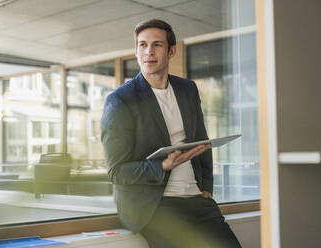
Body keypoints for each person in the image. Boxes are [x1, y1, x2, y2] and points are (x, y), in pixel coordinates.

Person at [101, 19, 242, 248]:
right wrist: (162, 166)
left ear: (171, 51)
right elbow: (116, 171)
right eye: (142, 45)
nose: (149, 52)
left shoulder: (188, 89)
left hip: (198, 201)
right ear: (136, 51)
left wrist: (206, 188)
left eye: (157, 45)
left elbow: (202, 141)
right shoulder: (120, 100)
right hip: (157, 208)